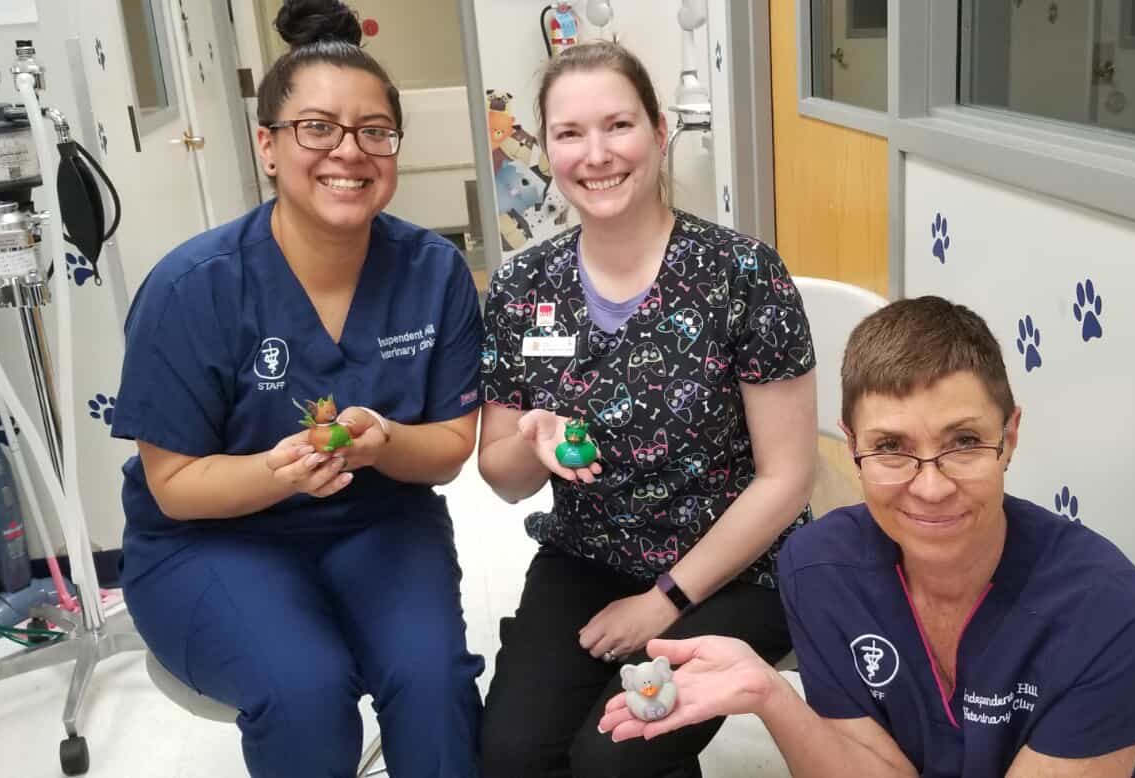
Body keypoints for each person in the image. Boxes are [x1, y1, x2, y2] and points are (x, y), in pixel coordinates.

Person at [110, 2, 485, 775]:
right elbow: (174, 484)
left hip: (377, 523)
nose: (349, 151)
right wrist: (277, 472)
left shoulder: (433, 271)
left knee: (432, 682)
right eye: (317, 127)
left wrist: (381, 442)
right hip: (211, 540)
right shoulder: (194, 287)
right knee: (304, 687)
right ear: (268, 146)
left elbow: (448, 450)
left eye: (374, 131)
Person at [599, 296, 1135, 777]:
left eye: (963, 442)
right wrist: (770, 695)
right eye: (890, 448)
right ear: (852, 443)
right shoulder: (817, 570)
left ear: (1010, 437)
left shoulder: (1104, 609)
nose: (929, 488)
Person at [475, 41, 819, 778]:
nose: (596, 155)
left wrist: (664, 600)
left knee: (609, 760)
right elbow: (501, 478)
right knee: (509, 756)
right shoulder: (523, 286)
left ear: (660, 133)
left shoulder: (742, 275)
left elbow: (786, 478)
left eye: (618, 126)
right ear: (549, 149)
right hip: (588, 553)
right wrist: (530, 440)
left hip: (736, 568)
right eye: (569, 134)